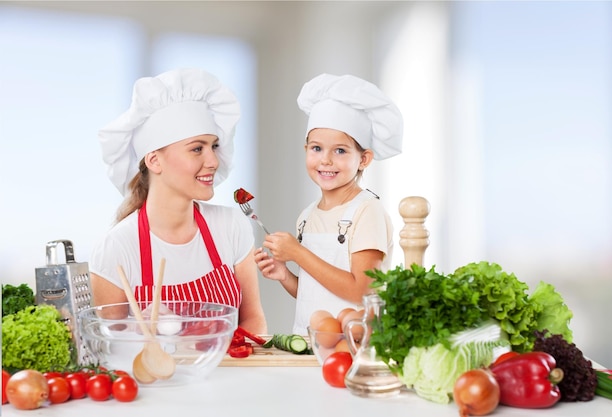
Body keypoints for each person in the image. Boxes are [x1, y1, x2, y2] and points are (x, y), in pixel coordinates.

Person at [90, 68, 267, 334]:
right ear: (154, 160)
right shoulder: (117, 248)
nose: (213, 161)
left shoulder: (231, 226)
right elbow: (112, 346)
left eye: (214, 146)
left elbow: (253, 321)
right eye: (197, 148)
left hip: (232, 374)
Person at [254, 73, 403, 334]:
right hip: (310, 345)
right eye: (317, 148)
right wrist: (285, 275)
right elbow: (314, 293)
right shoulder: (307, 216)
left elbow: (360, 291)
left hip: (351, 348)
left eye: (341, 151)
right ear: (306, 150)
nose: (326, 160)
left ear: (365, 159)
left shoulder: (367, 211)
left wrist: (297, 253)